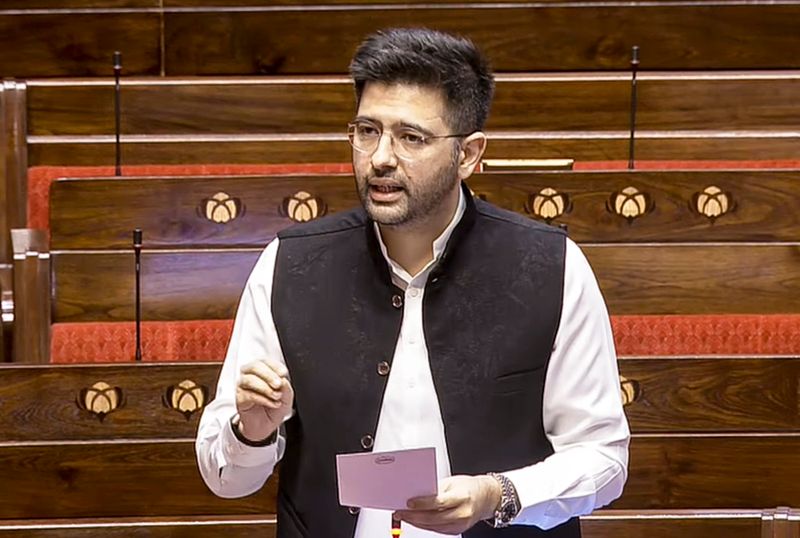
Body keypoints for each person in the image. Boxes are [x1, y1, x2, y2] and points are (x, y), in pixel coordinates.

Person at [196, 27, 629, 538]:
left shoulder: (551, 267)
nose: (381, 157)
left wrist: (498, 494)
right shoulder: (290, 265)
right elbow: (226, 480)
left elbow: (603, 459)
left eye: (411, 137)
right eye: (367, 131)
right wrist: (251, 432)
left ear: (468, 154)